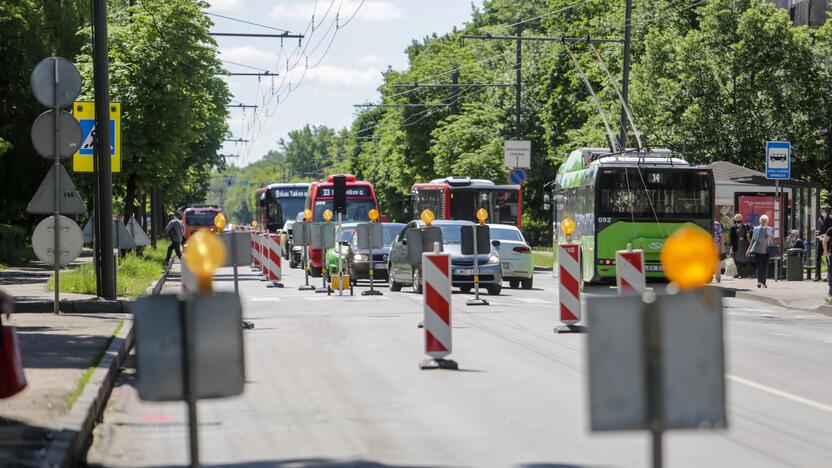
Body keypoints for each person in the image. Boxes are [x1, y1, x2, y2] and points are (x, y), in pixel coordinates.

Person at [747, 215, 774, 288]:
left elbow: (772, 241)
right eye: (762, 221)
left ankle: (764, 282)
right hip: (758, 250)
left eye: (765, 221)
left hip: (767, 251)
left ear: (767, 222)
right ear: (760, 221)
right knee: (759, 267)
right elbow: (753, 240)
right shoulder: (756, 229)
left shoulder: (770, 229)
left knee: (765, 267)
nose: (763, 222)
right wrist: (748, 250)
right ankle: (759, 281)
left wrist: (770, 238)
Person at [729, 214, 751, 278]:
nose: (738, 222)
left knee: (746, 258)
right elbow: (731, 238)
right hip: (737, 245)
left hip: (744, 244)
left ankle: (747, 274)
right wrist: (731, 247)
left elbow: (748, 235)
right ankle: (739, 274)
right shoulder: (733, 228)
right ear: (735, 221)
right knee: (737, 259)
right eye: (737, 221)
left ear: (742, 220)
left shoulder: (746, 226)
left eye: (739, 221)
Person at [815, 205, 832, 281]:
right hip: (820, 241)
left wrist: (824, 236)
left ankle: (829, 276)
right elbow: (817, 229)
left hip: (828, 241)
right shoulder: (819, 220)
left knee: (827, 257)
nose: (823, 211)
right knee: (818, 257)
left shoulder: (830, 220)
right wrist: (817, 234)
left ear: (828, 211)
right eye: (822, 210)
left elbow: (830, 232)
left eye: (825, 210)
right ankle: (818, 276)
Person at [713, 218, 724, 283]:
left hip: (715, 245)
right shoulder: (716, 224)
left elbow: (721, 236)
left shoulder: (716, 224)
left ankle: (718, 277)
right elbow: (721, 236)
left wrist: (722, 246)